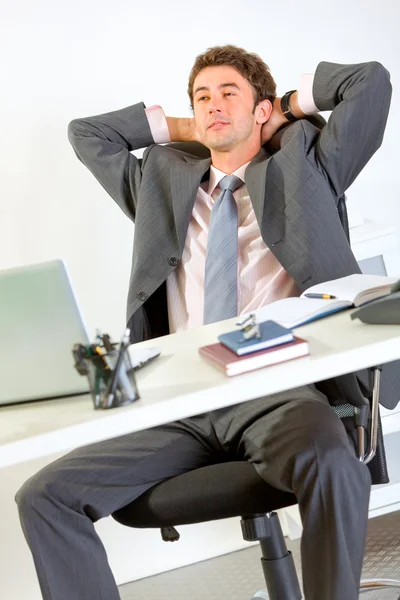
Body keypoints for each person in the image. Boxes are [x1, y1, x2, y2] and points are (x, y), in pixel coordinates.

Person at [16, 45, 392, 600]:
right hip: (179, 402)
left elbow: (371, 83)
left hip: (278, 391)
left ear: (262, 109)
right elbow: (87, 134)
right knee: (44, 496)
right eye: (202, 97)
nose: (212, 105)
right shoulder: (160, 183)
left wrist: (285, 105)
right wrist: (184, 124)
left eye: (228, 94)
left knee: (332, 459)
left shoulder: (306, 163)